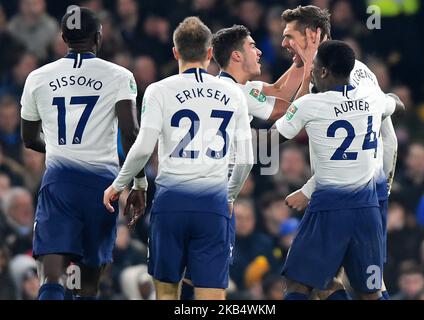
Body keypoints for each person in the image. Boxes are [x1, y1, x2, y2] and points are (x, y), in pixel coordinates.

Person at [103, 17, 254, 300]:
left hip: (171, 203)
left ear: (175, 52)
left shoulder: (159, 90)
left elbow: (143, 145)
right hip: (213, 204)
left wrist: (120, 184)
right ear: (210, 53)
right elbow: (246, 160)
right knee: (211, 295)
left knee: (167, 293)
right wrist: (229, 196)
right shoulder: (233, 92)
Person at [20, 7, 144, 300]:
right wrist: (139, 182)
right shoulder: (119, 76)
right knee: (87, 284)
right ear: (99, 38)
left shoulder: (38, 77)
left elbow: (28, 138)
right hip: (102, 187)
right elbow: (130, 134)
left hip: (59, 182)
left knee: (53, 276)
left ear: (63, 37)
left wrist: (62, 149)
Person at [280, 5, 399, 299]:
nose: (283, 43)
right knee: (337, 283)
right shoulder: (314, 72)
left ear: (312, 35)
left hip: (364, 186)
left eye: (290, 36)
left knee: (357, 284)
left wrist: (309, 189)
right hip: (355, 193)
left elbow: (383, 137)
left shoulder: (353, 74)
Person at [179, 23, 303, 300]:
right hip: (217, 194)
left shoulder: (233, 87)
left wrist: (299, 62)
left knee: (192, 276)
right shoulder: (238, 93)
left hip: (190, 189)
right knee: (210, 281)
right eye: (252, 46)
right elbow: (285, 107)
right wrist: (308, 66)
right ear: (236, 56)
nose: (259, 52)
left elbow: (277, 89)